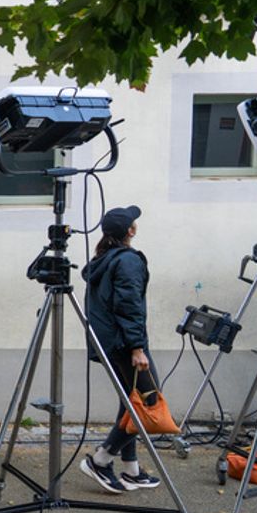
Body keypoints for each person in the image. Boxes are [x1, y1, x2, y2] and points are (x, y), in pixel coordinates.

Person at [78, 205, 163, 494]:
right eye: (134, 222)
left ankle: (132, 471)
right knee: (146, 401)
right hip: (124, 343)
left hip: (110, 341)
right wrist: (137, 347)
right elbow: (129, 305)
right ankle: (101, 460)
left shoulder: (104, 259)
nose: (136, 224)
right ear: (130, 231)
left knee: (130, 400)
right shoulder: (127, 261)